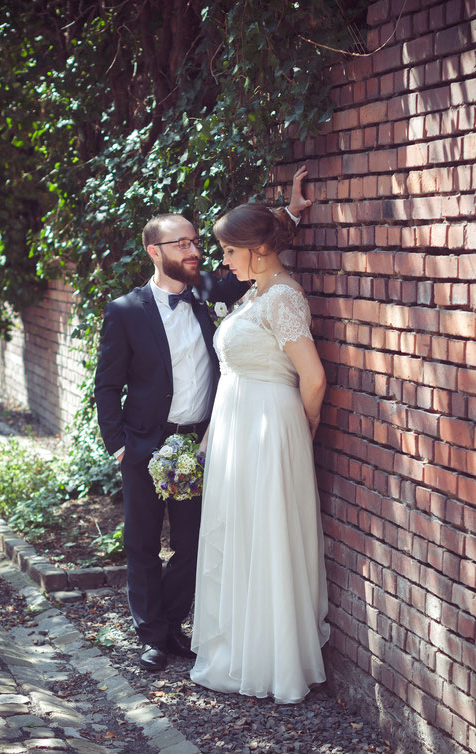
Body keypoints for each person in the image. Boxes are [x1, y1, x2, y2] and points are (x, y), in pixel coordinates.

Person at [190, 174, 330, 703]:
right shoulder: (258, 291)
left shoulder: (281, 299)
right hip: (240, 427)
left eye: (229, 250)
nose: (222, 260)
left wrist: (306, 424)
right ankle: (242, 649)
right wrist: (289, 216)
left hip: (270, 426)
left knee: (267, 531)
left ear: (260, 250)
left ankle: (275, 660)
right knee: (244, 530)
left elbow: (313, 377)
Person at [94, 211, 249, 671]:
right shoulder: (125, 310)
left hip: (199, 443)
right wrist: (119, 446)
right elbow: (107, 384)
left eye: (194, 241)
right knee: (142, 544)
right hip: (144, 445)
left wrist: (294, 213)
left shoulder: (208, 292)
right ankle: (153, 637)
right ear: (154, 251)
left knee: (193, 541)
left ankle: (173, 624)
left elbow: (256, 250)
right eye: (180, 243)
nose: (193, 250)